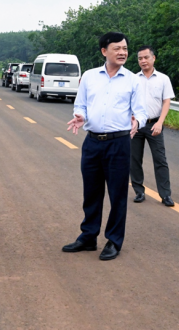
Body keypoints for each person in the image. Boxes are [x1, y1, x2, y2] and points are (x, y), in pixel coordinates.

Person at [63, 32, 147, 261]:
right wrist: (80, 116)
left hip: (119, 143)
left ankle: (114, 241)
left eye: (125, 48)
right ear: (104, 51)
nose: (122, 52)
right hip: (92, 142)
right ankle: (88, 237)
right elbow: (80, 104)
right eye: (117, 48)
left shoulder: (133, 79)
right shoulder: (89, 77)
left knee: (118, 194)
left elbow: (141, 110)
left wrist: (137, 121)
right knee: (91, 193)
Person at [130, 46, 175, 207]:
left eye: (146, 57)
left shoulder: (163, 79)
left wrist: (160, 123)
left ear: (153, 58)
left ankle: (165, 195)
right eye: (140, 58)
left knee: (160, 160)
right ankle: (139, 191)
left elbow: (166, 101)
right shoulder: (133, 79)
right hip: (137, 125)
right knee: (134, 159)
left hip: (155, 124)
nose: (143, 61)